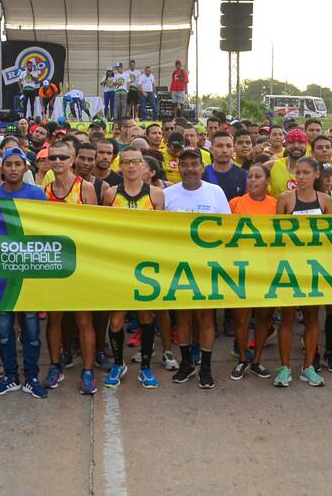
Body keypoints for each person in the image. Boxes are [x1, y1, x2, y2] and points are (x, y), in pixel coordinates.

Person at [0, 148, 49, 398]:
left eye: (17, 164)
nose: (12, 169)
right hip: (2, 271)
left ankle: (31, 377)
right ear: (2, 168)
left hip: (29, 270)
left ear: (25, 167)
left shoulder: (36, 194)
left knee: (31, 329)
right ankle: (10, 376)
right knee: (3, 330)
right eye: (8, 164)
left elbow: (45, 228)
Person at [163, 148, 231, 389]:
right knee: (183, 317)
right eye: (184, 165)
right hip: (179, 267)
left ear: (202, 167)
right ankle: (186, 364)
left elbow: (227, 228)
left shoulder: (215, 192)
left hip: (207, 267)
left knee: (205, 317)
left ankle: (206, 368)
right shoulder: (167, 194)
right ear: (178, 168)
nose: (189, 169)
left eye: (194, 164)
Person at [101, 147, 166, 390]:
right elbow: (103, 229)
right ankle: (119, 364)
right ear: (120, 166)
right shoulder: (111, 193)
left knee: (146, 317)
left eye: (135, 161)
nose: (131, 166)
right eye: (126, 162)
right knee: (116, 320)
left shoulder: (156, 195)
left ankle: (146, 367)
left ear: (143, 166)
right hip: (119, 265)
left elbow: (161, 232)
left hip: (145, 266)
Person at [40, 139, 100, 394]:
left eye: (62, 157)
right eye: (52, 157)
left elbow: (95, 227)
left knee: (83, 319)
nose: (57, 162)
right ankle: (55, 366)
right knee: (54, 319)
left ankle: (87, 370)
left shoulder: (84, 188)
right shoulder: (45, 190)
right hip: (54, 262)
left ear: (72, 159)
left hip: (80, 263)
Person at [272, 157, 332, 388]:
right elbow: (277, 236)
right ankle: (284, 367)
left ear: (316, 174)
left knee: (311, 318)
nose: (300, 177)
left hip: (315, 269)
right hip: (290, 267)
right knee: (287, 318)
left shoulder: (326, 201)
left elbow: (330, 237)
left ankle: (308, 367)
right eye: (297, 172)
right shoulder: (285, 199)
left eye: (305, 172)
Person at [226, 164, 278, 381]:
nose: (253, 180)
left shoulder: (276, 204)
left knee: (264, 319)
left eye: (258, 177)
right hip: (242, 269)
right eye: (250, 177)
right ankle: (242, 359)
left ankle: (256, 361)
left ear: (268, 181)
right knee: (242, 319)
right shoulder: (235, 203)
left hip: (268, 269)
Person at [204, 131, 246, 201]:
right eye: (220, 146)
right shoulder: (201, 174)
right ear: (211, 149)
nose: (224, 150)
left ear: (233, 149)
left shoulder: (243, 175)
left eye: (228, 146)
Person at [268, 128, 308, 197]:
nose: (296, 146)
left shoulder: (314, 167)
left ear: (306, 145)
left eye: (300, 142)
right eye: (291, 142)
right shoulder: (270, 166)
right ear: (286, 145)